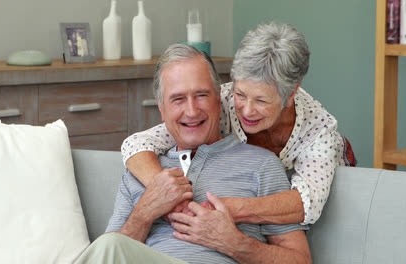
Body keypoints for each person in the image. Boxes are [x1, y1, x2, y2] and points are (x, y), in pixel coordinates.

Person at [75, 44, 311, 264]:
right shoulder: (142, 169)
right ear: (162, 108)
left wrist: (237, 244)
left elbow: (300, 260)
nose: (191, 110)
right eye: (178, 99)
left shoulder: (262, 165)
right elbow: (111, 253)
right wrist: (145, 212)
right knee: (110, 243)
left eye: (201, 95)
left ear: (219, 100)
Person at [121, 22, 357, 226]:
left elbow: (307, 204)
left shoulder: (318, 128)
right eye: (241, 94)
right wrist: (166, 194)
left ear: (291, 93)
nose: (246, 110)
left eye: (262, 100)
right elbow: (136, 143)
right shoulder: (220, 101)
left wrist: (226, 208)